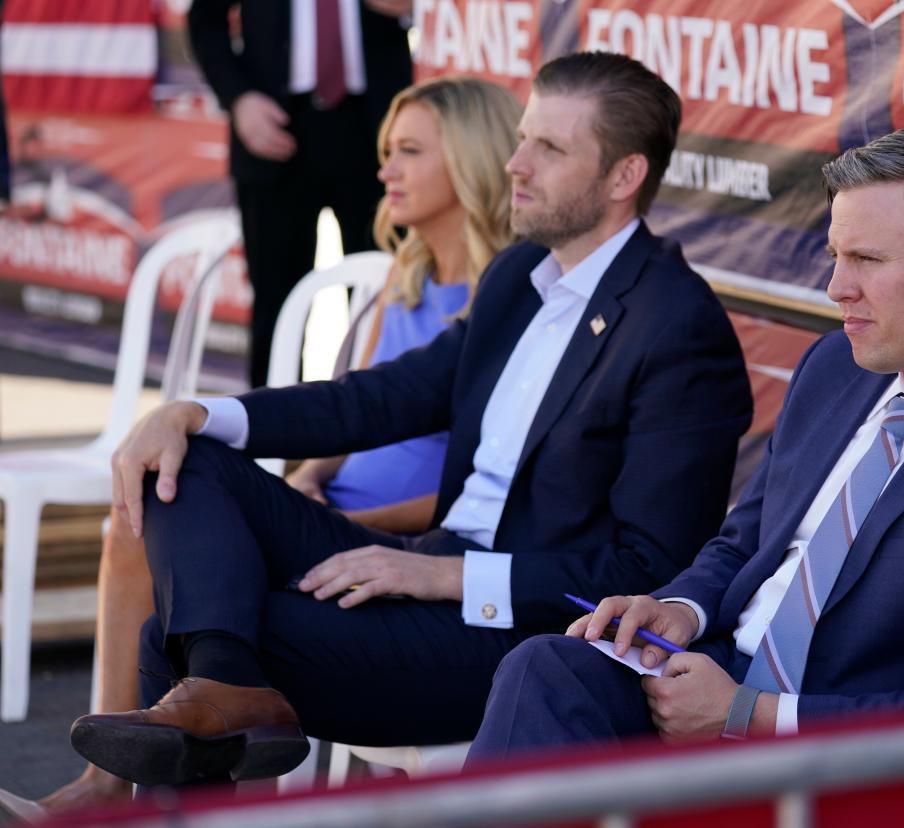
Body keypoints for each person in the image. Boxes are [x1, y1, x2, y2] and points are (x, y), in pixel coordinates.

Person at [69, 52, 753, 787]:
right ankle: (227, 685)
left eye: (549, 149)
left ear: (624, 178)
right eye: (523, 138)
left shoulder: (678, 326)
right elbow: (377, 399)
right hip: (432, 567)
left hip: (521, 629)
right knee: (194, 456)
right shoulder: (520, 277)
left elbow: (647, 571)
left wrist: (441, 575)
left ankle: (225, 689)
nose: (516, 164)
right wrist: (198, 411)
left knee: (166, 636)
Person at [465, 126, 904, 759]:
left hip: (831, 750)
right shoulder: (837, 365)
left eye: (866, 259)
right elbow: (745, 539)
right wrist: (677, 610)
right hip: (709, 678)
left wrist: (746, 718)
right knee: (544, 669)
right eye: (836, 255)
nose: (837, 288)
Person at [37, 76, 521, 812]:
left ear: (475, 163)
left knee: (173, 522)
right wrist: (305, 481)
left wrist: (368, 524)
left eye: (410, 152)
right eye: (385, 150)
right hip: (326, 515)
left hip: (406, 541)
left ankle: (141, 768)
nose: (384, 167)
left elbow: (481, 486)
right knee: (152, 493)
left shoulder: (508, 299)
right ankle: (129, 764)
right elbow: (351, 406)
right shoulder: (401, 275)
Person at [187, 0, 412, 390]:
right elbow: (204, 20)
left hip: (375, 129)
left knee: (382, 295)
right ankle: (271, 437)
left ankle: (376, 437)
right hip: (275, 129)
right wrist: (239, 98)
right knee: (277, 304)